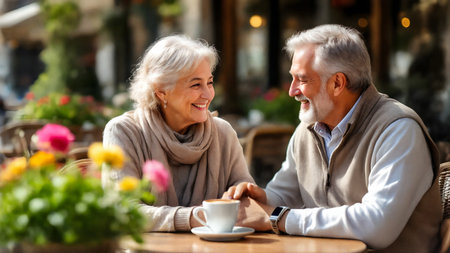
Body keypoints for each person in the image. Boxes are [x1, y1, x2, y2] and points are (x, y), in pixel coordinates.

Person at [225, 24, 441, 253]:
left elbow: (377, 225)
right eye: (293, 78)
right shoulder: (308, 128)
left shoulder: (399, 130)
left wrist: (278, 217)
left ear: (338, 83)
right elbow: (286, 194)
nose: (292, 90)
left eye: (302, 79)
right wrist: (263, 199)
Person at [102, 35, 254, 232]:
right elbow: (123, 211)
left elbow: (247, 201)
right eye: (195, 85)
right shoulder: (123, 132)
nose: (208, 95)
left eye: (209, 82)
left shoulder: (223, 132)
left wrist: (246, 194)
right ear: (161, 91)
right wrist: (193, 217)